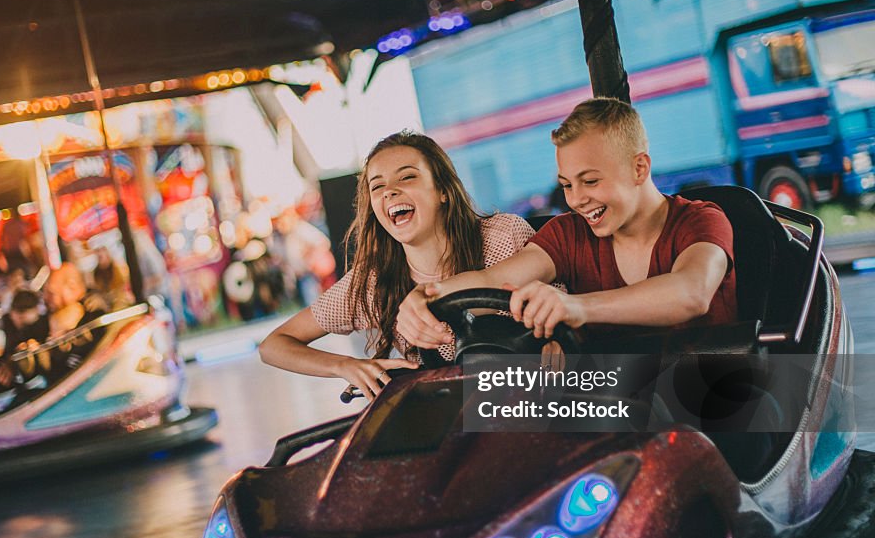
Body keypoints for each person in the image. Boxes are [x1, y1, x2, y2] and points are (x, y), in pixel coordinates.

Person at [397, 98, 737, 349]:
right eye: (567, 185)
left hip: (712, 396)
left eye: (590, 181)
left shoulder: (700, 221)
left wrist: (576, 307)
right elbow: (493, 281)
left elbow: (691, 293)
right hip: (618, 403)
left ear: (639, 169)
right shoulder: (570, 234)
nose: (576, 200)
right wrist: (425, 297)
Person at [258, 130, 535, 399]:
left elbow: (563, 311)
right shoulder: (373, 281)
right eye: (377, 186)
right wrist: (347, 366)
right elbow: (274, 345)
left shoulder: (503, 236)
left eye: (407, 177)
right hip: (451, 415)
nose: (389, 191)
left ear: (443, 191)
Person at [15, 263, 109, 384]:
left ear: (72, 287)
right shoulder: (45, 320)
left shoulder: (97, 313)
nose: (46, 299)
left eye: (52, 293)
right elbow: (23, 339)